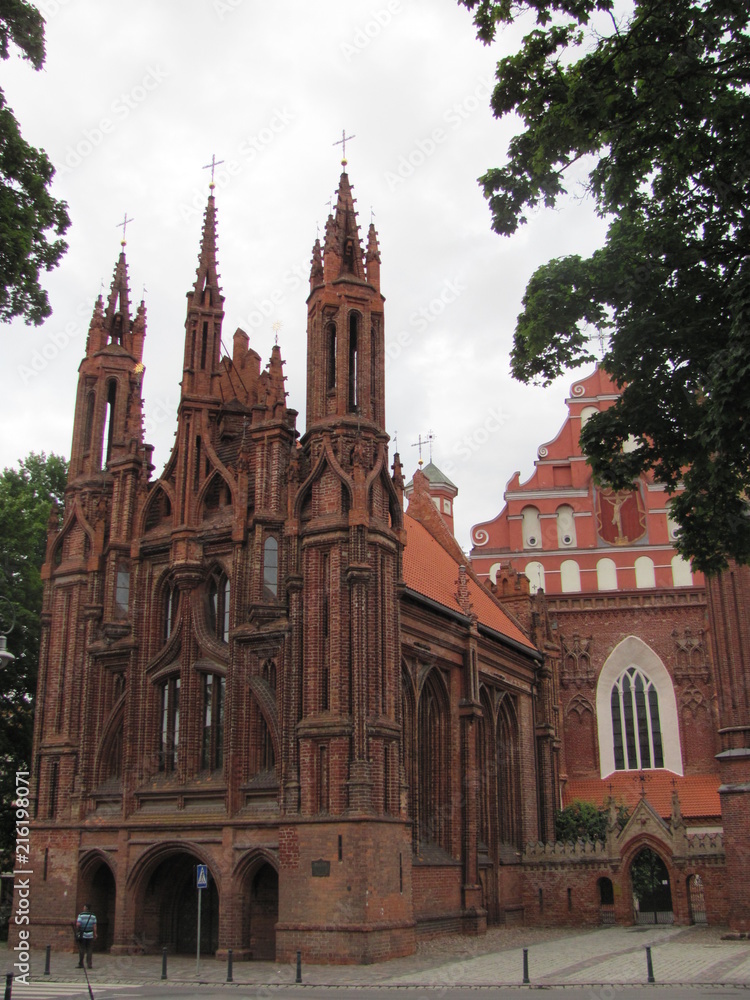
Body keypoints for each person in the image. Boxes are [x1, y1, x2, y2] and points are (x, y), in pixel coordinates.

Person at [76, 903, 97, 969]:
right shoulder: (93, 916)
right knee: (89, 949)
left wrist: (77, 927)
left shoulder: (81, 915)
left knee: (82, 949)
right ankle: (89, 964)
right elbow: (94, 926)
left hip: (83, 935)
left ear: (85, 908)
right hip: (90, 934)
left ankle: (81, 963)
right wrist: (95, 934)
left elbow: (78, 924)